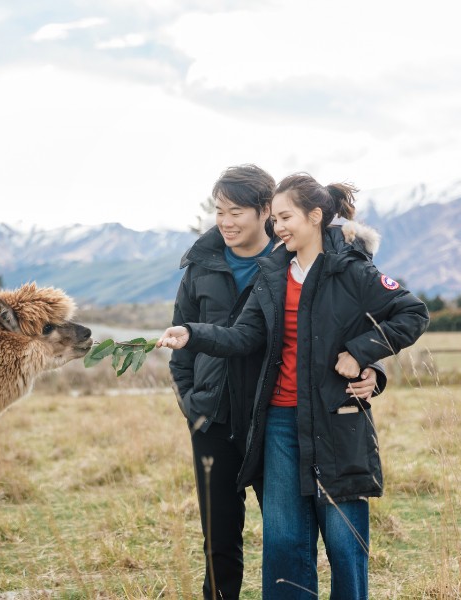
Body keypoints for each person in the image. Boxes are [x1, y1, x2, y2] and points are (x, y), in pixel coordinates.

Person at [159, 173, 429, 600]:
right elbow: (243, 336)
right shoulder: (273, 274)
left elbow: (411, 313)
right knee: (284, 542)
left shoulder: (351, 271)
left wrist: (362, 356)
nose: (279, 227)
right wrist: (191, 334)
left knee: (344, 541)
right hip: (278, 422)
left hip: (335, 417)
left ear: (314, 216)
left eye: (285, 218)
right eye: (277, 219)